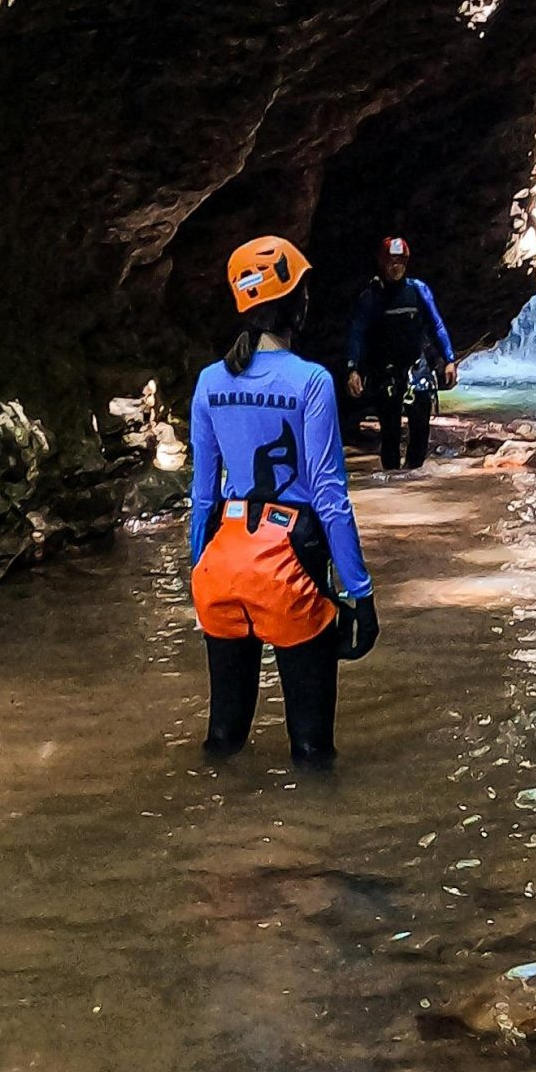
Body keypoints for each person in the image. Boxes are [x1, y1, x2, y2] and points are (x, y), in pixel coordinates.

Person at [187, 236, 382, 769]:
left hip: (222, 564)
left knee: (224, 737)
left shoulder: (208, 383)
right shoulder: (312, 381)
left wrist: (198, 569)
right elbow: (330, 495)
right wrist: (360, 593)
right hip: (289, 565)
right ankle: (314, 842)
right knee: (312, 751)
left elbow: (203, 495)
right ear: (297, 301)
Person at [345, 236, 458, 470]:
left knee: (420, 430)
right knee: (390, 433)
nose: (396, 266)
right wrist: (352, 368)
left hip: (418, 370)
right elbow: (357, 333)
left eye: (400, 261)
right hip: (386, 373)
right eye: (391, 261)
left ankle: (413, 477)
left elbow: (437, 325)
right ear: (381, 262)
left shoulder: (418, 290)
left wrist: (449, 360)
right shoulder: (371, 297)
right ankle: (392, 481)